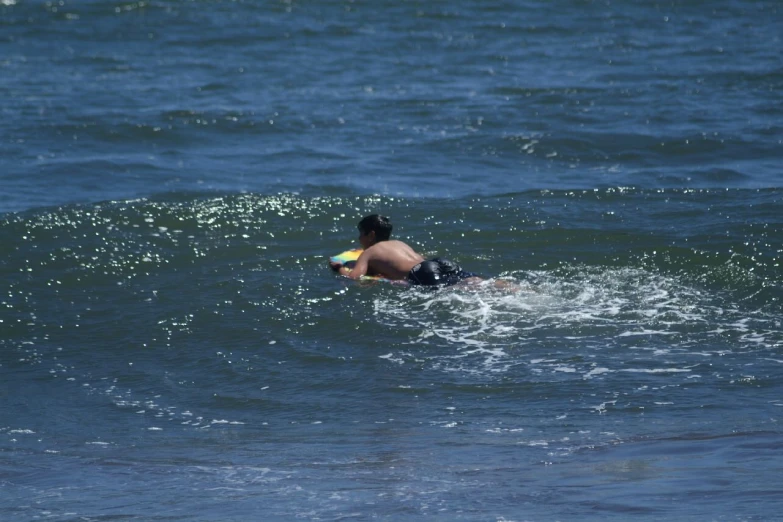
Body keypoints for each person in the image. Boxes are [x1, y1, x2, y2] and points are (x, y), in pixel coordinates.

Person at [330, 214, 482, 287]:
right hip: (437, 263)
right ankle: (504, 286)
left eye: (360, 234)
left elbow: (355, 277)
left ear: (371, 235)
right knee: (476, 283)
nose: (359, 239)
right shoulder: (399, 243)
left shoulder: (369, 252)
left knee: (455, 292)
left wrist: (337, 268)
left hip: (421, 273)